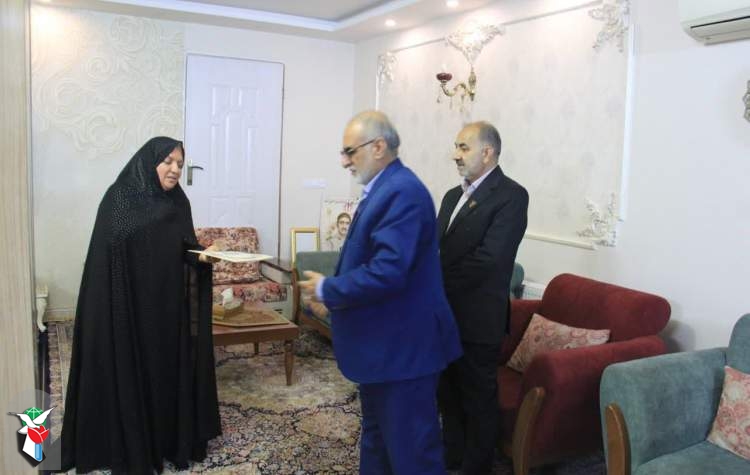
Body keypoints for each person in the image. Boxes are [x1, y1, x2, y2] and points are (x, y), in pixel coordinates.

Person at [299, 111, 462, 474]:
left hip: (404, 351)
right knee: (378, 443)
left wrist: (328, 288)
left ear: (378, 147)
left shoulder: (403, 191)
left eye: (349, 151)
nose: (344, 161)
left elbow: (389, 270)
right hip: (384, 350)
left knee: (411, 454)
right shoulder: (384, 188)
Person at [60, 137, 222, 474]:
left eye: (180, 164)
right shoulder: (120, 197)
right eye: (168, 162)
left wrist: (201, 256)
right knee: (133, 371)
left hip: (166, 308)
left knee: (163, 371)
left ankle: (164, 439)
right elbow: (111, 253)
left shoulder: (178, 203)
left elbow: (184, 248)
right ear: (149, 162)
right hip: (128, 308)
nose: (175, 169)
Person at [436, 122, 528, 474]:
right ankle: (452, 457)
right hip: (444, 315)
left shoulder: (511, 196)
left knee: (478, 398)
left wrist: (434, 281)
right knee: (447, 391)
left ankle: (476, 466)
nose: (455, 155)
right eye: (456, 147)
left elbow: (489, 260)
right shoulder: (450, 196)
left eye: (463, 147)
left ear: (487, 152)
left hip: (478, 319)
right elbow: (439, 249)